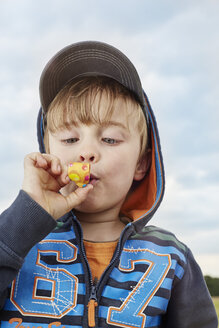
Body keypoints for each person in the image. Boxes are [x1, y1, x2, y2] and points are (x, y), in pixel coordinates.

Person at [0, 41, 217, 328]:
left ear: (141, 164)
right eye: (70, 139)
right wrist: (27, 214)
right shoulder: (16, 242)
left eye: (110, 139)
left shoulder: (171, 257)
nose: (86, 152)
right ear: (46, 152)